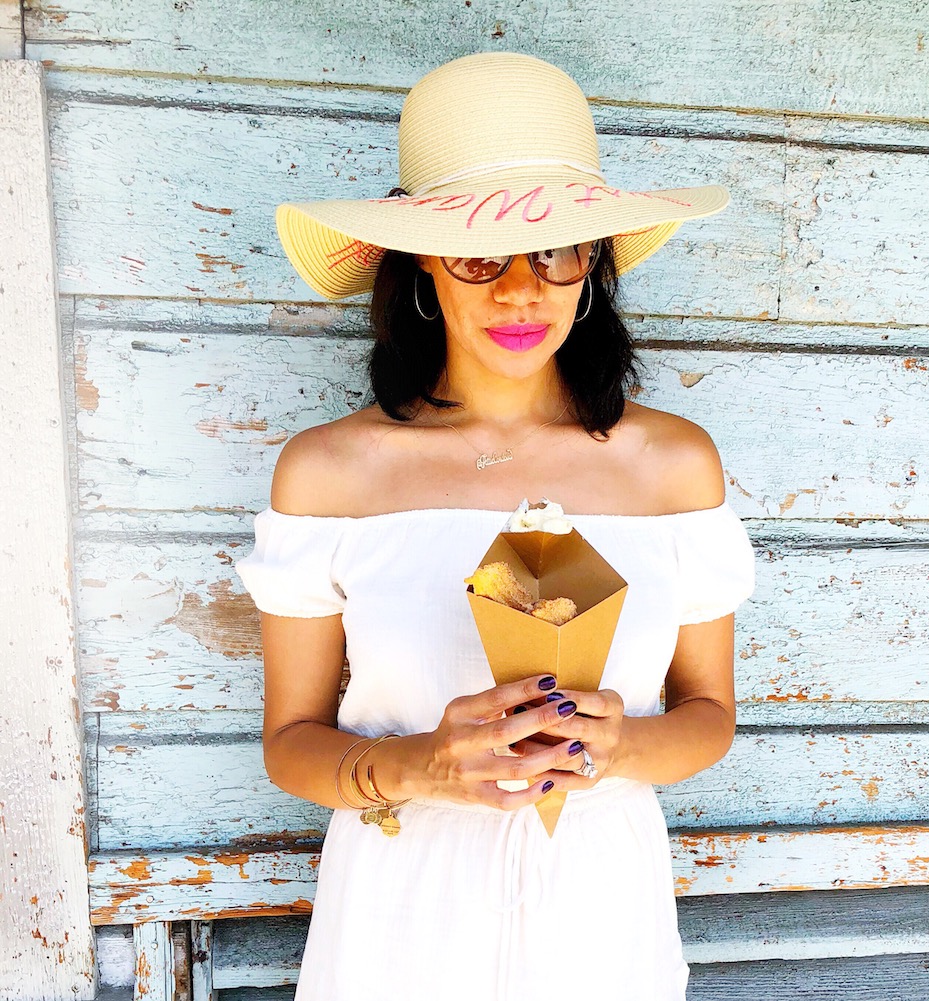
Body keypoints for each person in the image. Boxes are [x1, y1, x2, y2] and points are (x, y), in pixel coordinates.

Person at [235, 51, 755, 1001]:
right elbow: (290, 739)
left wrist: (620, 747)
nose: (522, 292)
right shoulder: (330, 471)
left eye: (557, 252)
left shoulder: (673, 463)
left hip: (602, 911)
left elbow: (708, 715)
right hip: (402, 910)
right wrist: (418, 765)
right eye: (481, 255)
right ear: (423, 267)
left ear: (592, 264)